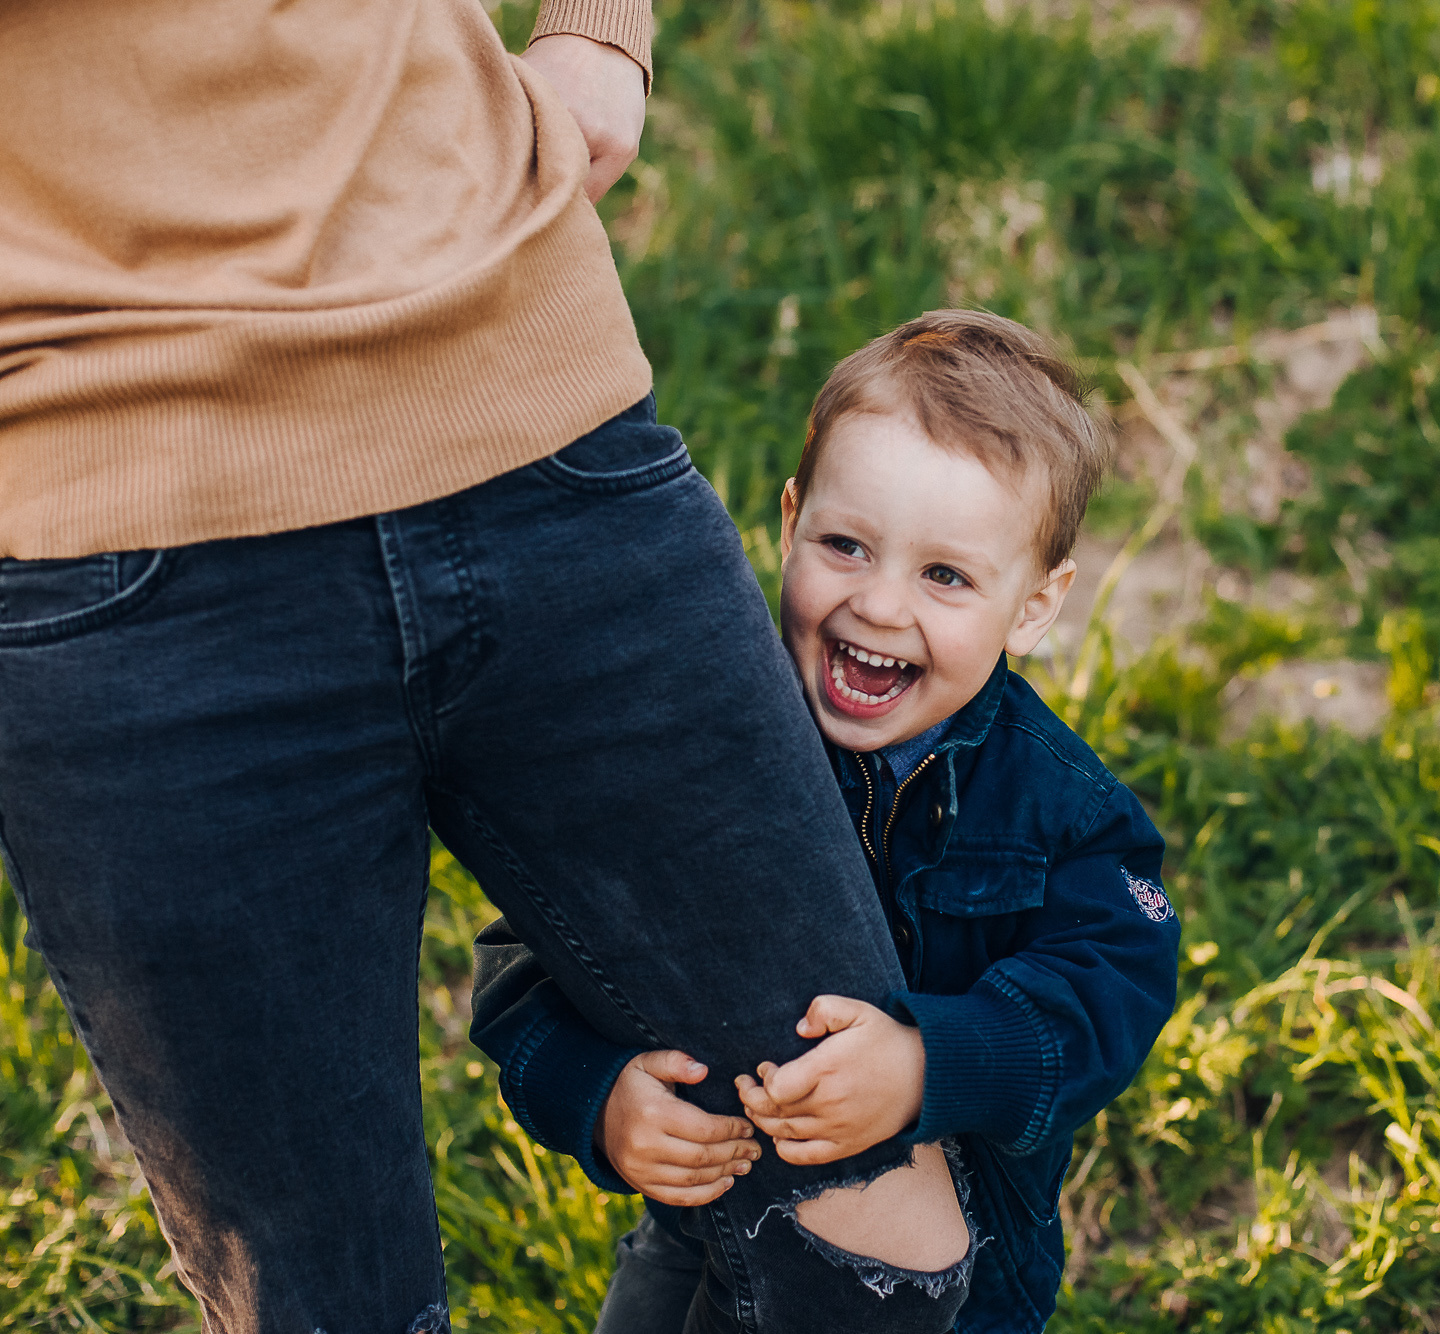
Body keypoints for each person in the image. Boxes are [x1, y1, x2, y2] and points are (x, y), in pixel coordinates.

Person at [0, 3, 967, 1330]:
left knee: (871, 1225)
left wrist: (599, 32)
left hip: (535, 412)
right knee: (331, 1302)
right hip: (106, 527)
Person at [470, 310, 1183, 1333]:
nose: (881, 606)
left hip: (957, 1267)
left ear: (1035, 603)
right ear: (790, 518)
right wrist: (598, 1094)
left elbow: (1113, 987)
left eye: (944, 575)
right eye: (846, 546)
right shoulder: (695, 741)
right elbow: (533, 946)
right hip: (702, 1219)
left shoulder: (1057, 807)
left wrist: (931, 1062)